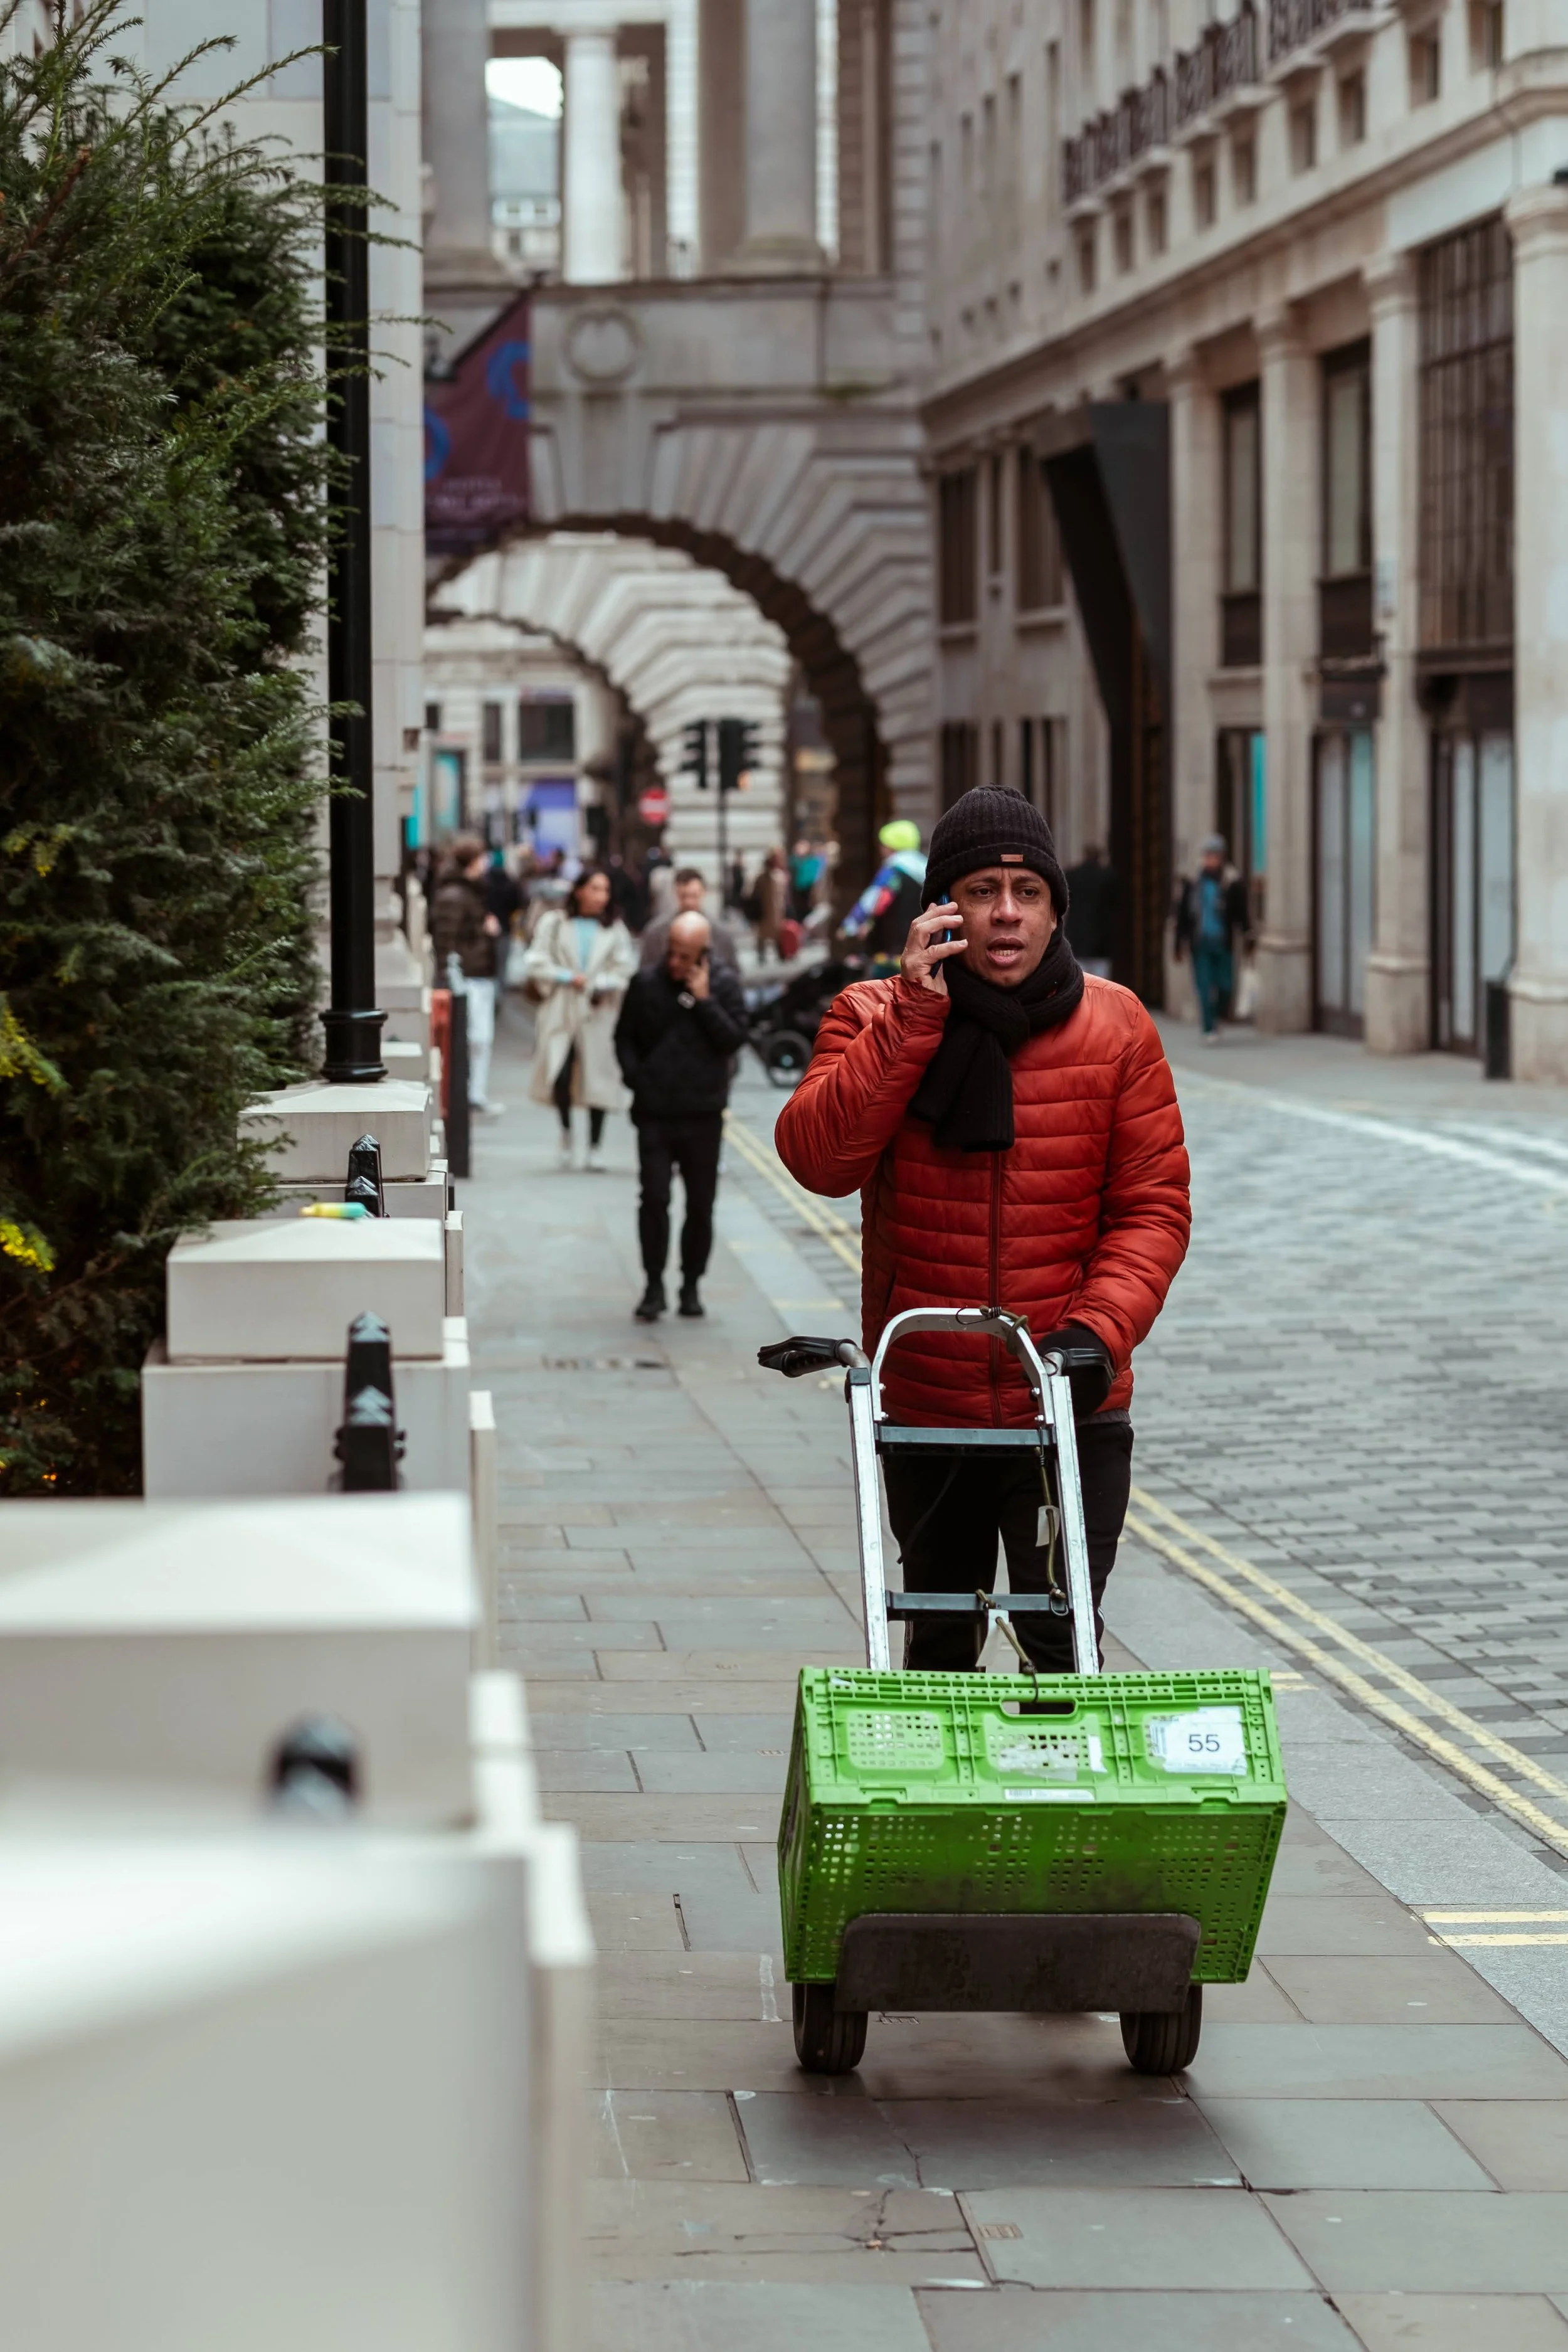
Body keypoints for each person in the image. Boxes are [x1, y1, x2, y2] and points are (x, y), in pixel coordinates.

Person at [775, 785, 1190, 1675]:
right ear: (942, 909)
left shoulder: (1118, 1026)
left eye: (1027, 890)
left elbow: (1152, 1207)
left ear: (1053, 908)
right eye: (980, 889)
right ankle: (945, 1815)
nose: (1005, 912)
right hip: (930, 1403)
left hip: (1068, 1399)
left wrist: (1096, 1334)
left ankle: (1059, 1810)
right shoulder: (870, 1013)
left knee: (1062, 1642)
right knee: (938, 1643)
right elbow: (819, 1159)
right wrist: (916, 1019)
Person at [615, 911, 750, 1323]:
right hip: (655, 1112)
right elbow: (624, 1037)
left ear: (704, 954)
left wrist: (705, 1000)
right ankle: (653, 1285)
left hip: (703, 1113)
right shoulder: (645, 984)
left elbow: (734, 1039)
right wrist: (638, 1079)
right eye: (673, 953)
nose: (676, 962)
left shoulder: (724, 985)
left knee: (700, 1205)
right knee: (654, 1198)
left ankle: (691, 1285)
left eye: (687, 956)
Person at [524, 866, 637, 1170]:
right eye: (595, 889)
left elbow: (624, 969)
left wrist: (600, 983)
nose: (602, 896)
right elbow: (536, 960)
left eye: (605, 890)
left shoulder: (614, 928)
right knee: (560, 1074)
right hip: (562, 1007)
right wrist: (566, 976)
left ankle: (595, 1146)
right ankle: (566, 1134)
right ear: (579, 890)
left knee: (597, 1077)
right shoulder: (556, 922)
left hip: (598, 1011)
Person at [430, 833, 503, 1115]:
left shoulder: (470, 892)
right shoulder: (456, 895)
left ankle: (475, 1093)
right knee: (472, 1038)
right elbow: (446, 940)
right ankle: (469, 1094)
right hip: (468, 976)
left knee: (480, 1039)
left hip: (477, 973)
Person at [1173, 834, 1251, 1045]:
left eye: (1214, 856)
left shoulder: (1231, 882)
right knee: (1204, 985)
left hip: (1223, 942)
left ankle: (1217, 1015)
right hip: (1200, 943)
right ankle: (1209, 1026)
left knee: (1226, 985)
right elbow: (1182, 915)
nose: (1210, 860)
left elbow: (1241, 913)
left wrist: (1248, 934)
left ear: (1221, 858)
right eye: (1207, 855)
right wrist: (1178, 944)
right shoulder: (1193, 882)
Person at [840, 818, 927, 958]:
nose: (881, 849)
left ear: (892, 846)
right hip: (919, 943)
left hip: (891, 944)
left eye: (883, 844)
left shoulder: (893, 870)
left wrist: (851, 925)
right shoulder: (925, 867)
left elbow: (871, 900)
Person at [638, 868, 738, 974]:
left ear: (703, 892)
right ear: (676, 893)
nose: (689, 902)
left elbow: (733, 975)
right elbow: (645, 974)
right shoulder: (656, 932)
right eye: (684, 896)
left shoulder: (721, 933)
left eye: (694, 896)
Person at [1063, 844, 1119, 980]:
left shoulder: (1072, 876)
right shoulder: (1108, 877)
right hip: (1102, 940)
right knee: (1102, 984)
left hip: (1078, 938)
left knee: (1081, 983)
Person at [752, 847, 790, 962]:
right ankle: (762, 955)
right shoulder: (762, 877)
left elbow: (785, 897)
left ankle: (782, 953)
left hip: (778, 911)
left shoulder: (781, 876)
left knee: (778, 933)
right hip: (765, 912)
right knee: (763, 934)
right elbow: (755, 894)